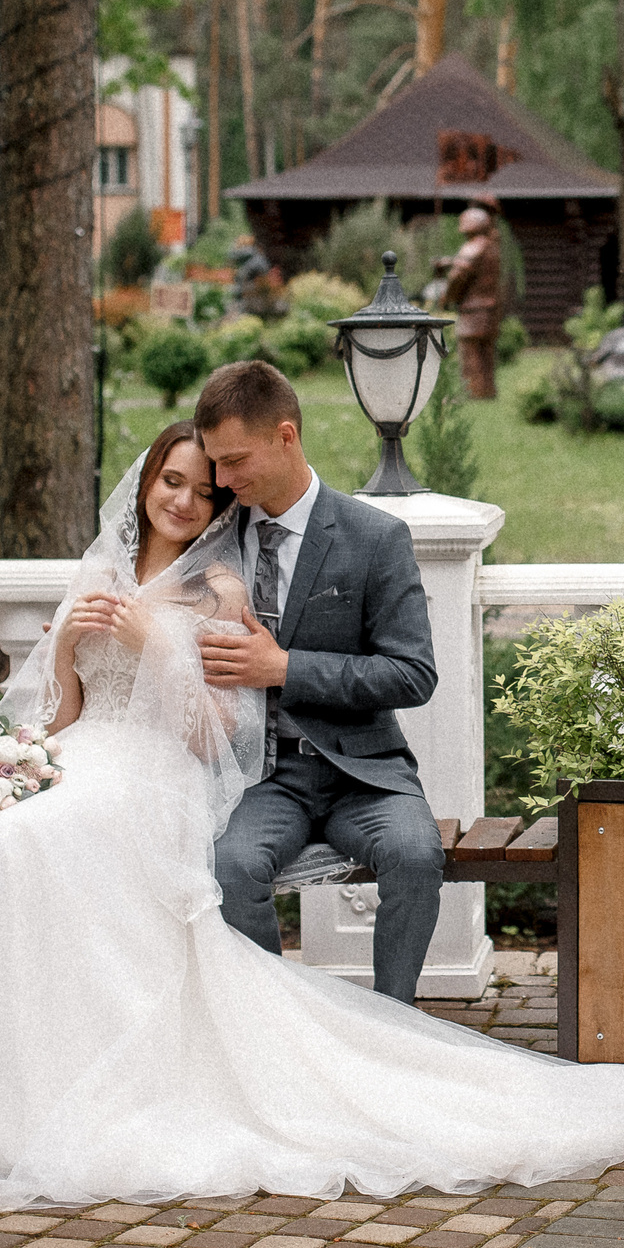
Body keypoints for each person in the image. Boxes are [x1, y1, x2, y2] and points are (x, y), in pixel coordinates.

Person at [0, 413, 624, 1209]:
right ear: (145, 483)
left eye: (205, 483)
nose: (187, 497)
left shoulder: (218, 590)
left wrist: (158, 648)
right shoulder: (100, 572)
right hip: (88, 752)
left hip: (167, 767)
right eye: (172, 481)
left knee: (48, 840)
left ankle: (352, 1035)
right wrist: (65, 662)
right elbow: (65, 710)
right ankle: (18, 1075)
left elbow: (213, 737)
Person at [190, 360, 443, 1000]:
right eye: (214, 463)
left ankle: (395, 1021)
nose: (221, 480)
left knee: (415, 858)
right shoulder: (213, 538)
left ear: (286, 436)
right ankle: (281, 1024)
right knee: (229, 866)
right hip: (263, 776)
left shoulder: (374, 537)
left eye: (235, 460)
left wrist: (286, 668)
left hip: (366, 772)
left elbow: (412, 673)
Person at [438, 205, 503, 400]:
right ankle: (487, 392)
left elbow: (458, 277)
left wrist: (446, 299)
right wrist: (451, 261)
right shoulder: (491, 246)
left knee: (470, 352)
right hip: (490, 308)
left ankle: (474, 393)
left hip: (473, 309)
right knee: (486, 354)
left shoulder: (473, 246)